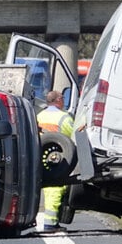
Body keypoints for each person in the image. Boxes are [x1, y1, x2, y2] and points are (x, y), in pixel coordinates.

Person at [36, 90, 75, 230]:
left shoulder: (40, 115)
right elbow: (73, 136)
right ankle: (50, 223)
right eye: (63, 98)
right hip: (58, 158)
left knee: (47, 188)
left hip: (41, 156)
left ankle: (51, 222)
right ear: (58, 100)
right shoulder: (64, 117)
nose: (64, 100)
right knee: (55, 189)